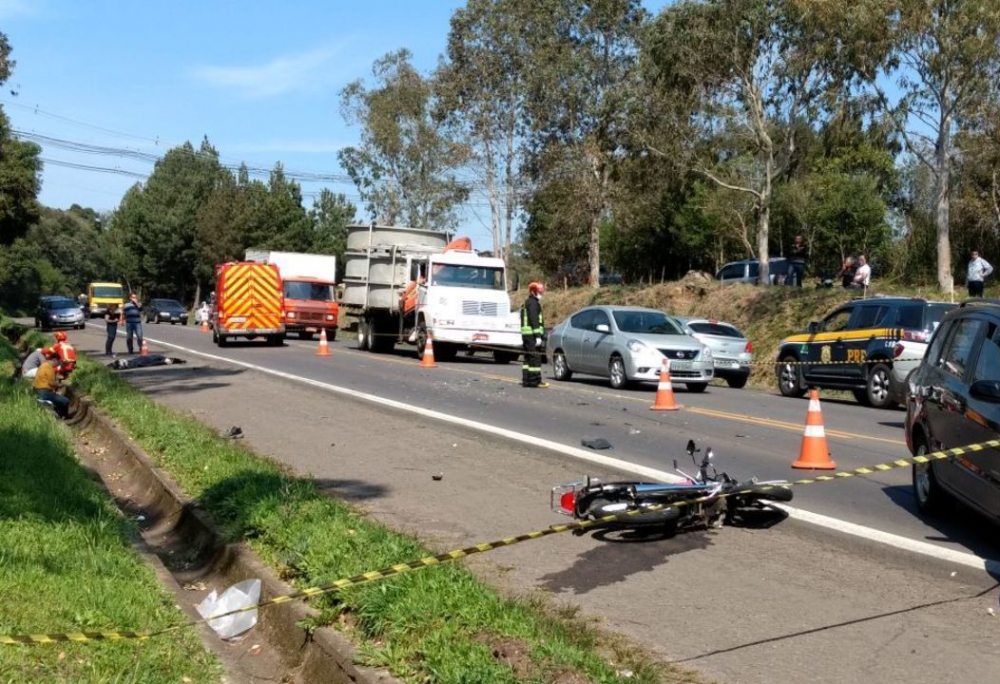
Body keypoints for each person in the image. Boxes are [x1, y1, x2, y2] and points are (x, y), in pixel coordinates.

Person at [520, 281, 548, 388]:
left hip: (527, 335)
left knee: (528, 358)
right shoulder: (532, 303)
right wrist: (538, 336)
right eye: (539, 292)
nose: (541, 294)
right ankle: (534, 381)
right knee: (535, 358)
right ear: (533, 292)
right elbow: (534, 320)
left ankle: (526, 380)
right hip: (531, 335)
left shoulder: (529, 302)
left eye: (541, 291)